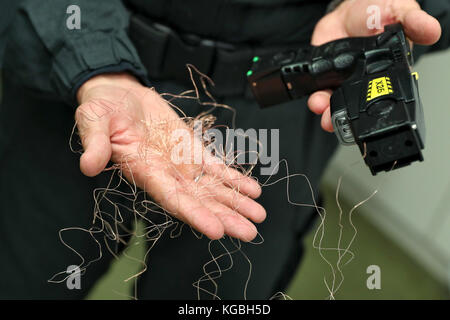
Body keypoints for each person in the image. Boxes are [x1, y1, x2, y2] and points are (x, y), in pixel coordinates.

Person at [0, 0, 447, 299]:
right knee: (22, 278)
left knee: (216, 299)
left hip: (278, 93)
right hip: (80, 76)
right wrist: (94, 65)